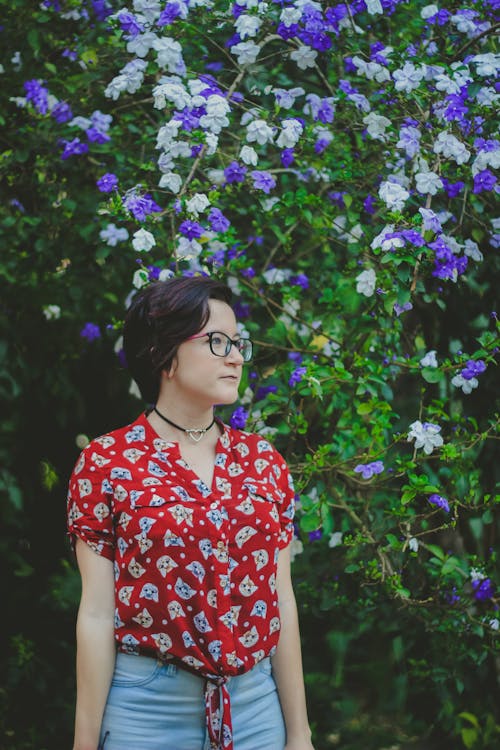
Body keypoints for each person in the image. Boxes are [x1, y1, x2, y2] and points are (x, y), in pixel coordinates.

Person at [67, 276, 314, 750]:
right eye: (217, 341)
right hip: (146, 713)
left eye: (238, 343)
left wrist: (299, 732)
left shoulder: (263, 463)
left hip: (257, 712)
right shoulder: (107, 463)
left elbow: (281, 600)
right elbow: (96, 614)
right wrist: (84, 742)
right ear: (164, 352)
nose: (236, 356)